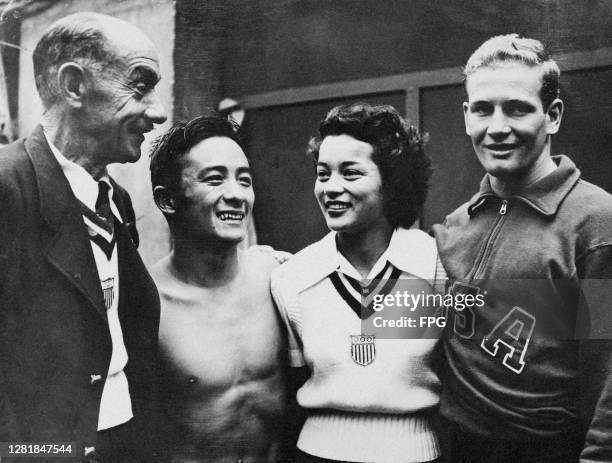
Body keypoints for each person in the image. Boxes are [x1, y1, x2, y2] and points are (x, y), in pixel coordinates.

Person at [432, 34, 612, 462]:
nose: (497, 127)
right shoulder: (454, 226)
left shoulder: (597, 223)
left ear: (551, 116)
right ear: (466, 116)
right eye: (482, 109)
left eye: (516, 108)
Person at [0, 12, 167, 462]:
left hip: (122, 436)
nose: (159, 111)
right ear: (73, 85)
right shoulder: (6, 186)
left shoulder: (114, 197)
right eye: (140, 84)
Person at [271, 103, 445, 463]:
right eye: (323, 174)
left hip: (417, 454)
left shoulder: (435, 266)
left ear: (391, 181)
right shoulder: (292, 277)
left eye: (351, 173)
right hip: (314, 454)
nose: (331, 188)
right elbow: (291, 387)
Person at [149, 115, 288, 463]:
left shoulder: (278, 277)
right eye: (215, 180)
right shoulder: (146, 302)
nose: (236, 195)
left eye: (245, 180)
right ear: (167, 200)